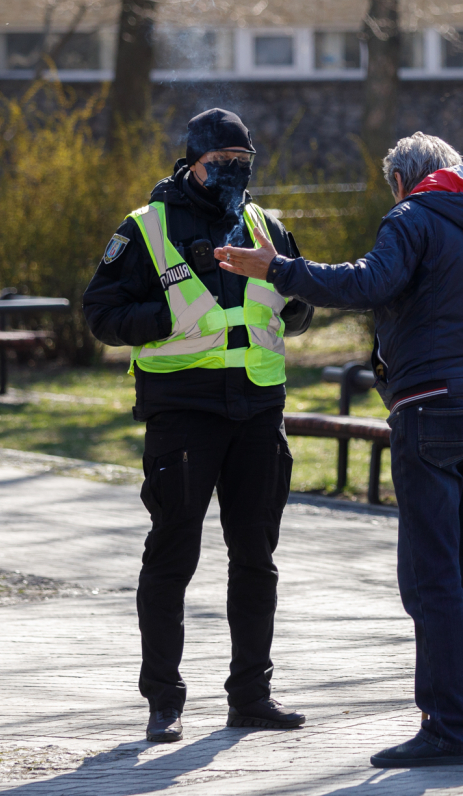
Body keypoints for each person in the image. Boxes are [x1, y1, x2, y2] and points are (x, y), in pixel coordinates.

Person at [215, 133, 463, 768]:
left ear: (405, 182)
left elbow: (368, 283)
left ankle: (445, 729)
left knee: (432, 577)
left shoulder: (413, 218)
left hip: (430, 408)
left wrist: (277, 268)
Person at [83, 108, 314, 744]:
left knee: (256, 559)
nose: (234, 176)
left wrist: (292, 303)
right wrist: (166, 320)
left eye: (244, 165)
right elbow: (100, 313)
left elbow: (299, 311)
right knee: (172, 554)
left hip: (259, 410)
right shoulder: (146, 228)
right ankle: (163, 700)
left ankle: (251, 696)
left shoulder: (267, 226)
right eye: (222, 165)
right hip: (184, 414)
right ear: (192, 163)